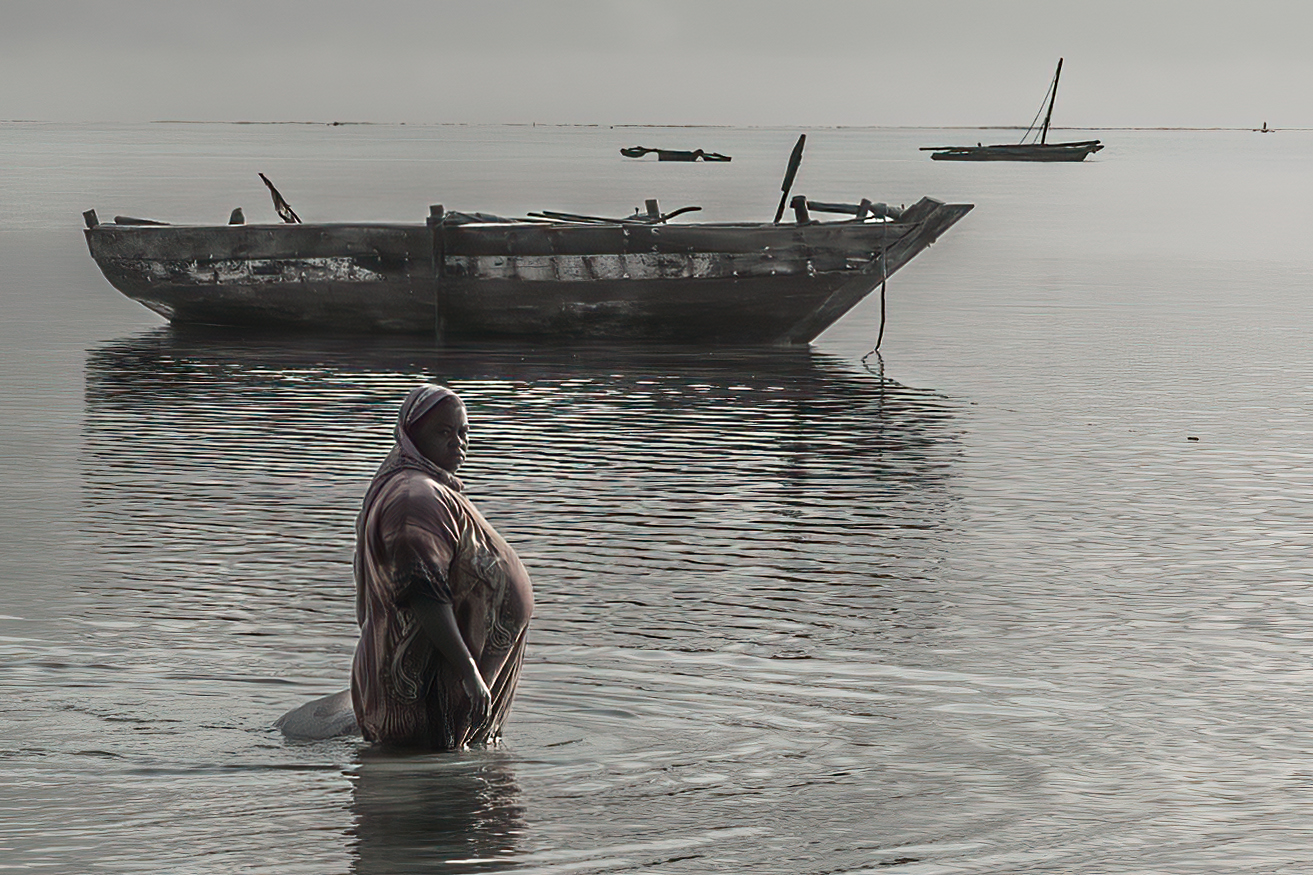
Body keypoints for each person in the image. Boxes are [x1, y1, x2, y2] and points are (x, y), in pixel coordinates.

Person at [350, 384, 533, 749]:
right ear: (411, 436)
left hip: (434, 694)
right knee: (431, 793)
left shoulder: (427, 489)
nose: (458, 442)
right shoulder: (414, 498)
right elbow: (421, 588)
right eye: (444, 432)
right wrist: (468, 671)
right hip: (423, 698)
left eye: (463, 432)